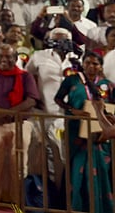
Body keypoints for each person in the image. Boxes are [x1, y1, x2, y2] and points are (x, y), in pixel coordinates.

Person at [0, 43, 43, 204]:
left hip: (20, 123)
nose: (4, 59)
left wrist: (11, 113)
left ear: (16, 58)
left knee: (18, 164)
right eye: (1, 56)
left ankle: (18, 202)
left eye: (8, 56)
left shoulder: (25, 76)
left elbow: (32, 99)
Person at [55, 51, 115, 212]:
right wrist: (72, 110)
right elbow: (58, 99)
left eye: (95, 63)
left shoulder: (107, 85)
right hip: (76, 134)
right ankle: (76, 207)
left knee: (100, 170)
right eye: (87, 63)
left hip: (100, 136)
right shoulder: (71, 80)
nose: (91, 66)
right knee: (77, 171)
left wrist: (108, 116)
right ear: (83, 64)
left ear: (101, 66)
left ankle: (101, 208)